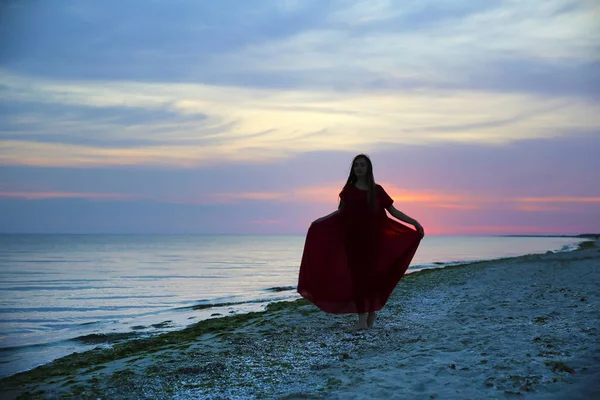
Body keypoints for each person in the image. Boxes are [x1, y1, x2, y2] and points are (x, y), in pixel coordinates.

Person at [297, 154, 424, 330]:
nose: (359, 168)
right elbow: (340, 212)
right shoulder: (348, 191)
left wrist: (414, 223)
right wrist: (319, 221)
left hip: (374, 241)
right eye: (356, 165)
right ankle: (362, 320)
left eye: (362, 165)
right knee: (358, 279)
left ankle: (371, 314)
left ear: (368, 168)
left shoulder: (377, 190)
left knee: (374, 278)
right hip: (353, 241)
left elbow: (394, 212)